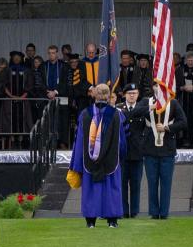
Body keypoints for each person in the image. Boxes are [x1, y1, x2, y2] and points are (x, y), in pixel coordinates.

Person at [68, 83, 125, 228]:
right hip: (111, 160)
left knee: (92, 189)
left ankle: (91, 222)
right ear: (108, 96)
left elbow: (79, 140)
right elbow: (122, 140)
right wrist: (122, 156)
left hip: (90, 159)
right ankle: (112, 221)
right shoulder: (117, 114)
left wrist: (77, 163)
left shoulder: (85, 114)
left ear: (94, 94)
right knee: (111, 189)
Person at [130, 89, 186, 219]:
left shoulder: (173, 103)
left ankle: (164, 212)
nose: (158, 88)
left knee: (166, 183)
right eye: (156, 85)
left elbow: (183, 122)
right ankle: (154, 212)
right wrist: (151, 107)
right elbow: (134, 113)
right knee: (152, 182)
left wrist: (167, 128)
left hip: (167, 149)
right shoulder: (146, 101)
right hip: (150, 148)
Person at [120, 85, 147, 218]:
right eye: (129, 93)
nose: (132, 95)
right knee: (122, 184)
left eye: (134, 93)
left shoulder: (142, 109)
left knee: (136, 184)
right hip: (122, 153)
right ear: (124, 94)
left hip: (137, 152)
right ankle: (124, 211)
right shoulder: (119, 108)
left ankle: (135, 211)